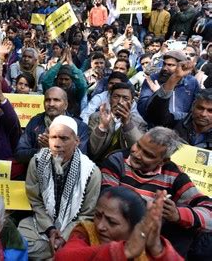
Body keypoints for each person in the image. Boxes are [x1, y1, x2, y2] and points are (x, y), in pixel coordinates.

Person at [100, 127, 212, 258]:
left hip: (150, 242)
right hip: (115, 236)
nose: (136, 154)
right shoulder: (117, 160)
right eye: (138, 145)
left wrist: (177, 214)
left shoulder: (174, 174)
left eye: (148, 154)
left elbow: (209, 212)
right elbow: (109, 201)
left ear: (163, 161)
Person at [18, 115, 101, 259]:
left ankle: (56, 252)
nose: (56, 144)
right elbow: (36, 202)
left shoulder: (91, 172)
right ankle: (59, 254)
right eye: (53, 137)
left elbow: (86, 215)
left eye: (64, 138)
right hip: (44, 223)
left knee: (88, 242)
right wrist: (51, 230)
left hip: (73, 228)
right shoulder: (37, 162)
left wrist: (64, 236)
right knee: (21, 236)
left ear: (77, 141)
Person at [55, 187, 183, 261]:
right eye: (98, 216)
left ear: (134, 228)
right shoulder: (86, 231)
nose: (100, 226)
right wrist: (124, 251)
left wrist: (156, 248)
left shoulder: (148, 244)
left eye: (112, 222)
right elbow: (63, 257)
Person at [15, 87, 89, 169]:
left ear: (66, 105)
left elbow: (81, 160)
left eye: (56, 100)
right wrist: (42, 151)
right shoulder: (35, 121)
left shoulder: (79, 127)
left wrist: (54, 150)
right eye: (47, 100)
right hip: (37, 174)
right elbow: (19, 154)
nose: (51, 104)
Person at [88, 82, 147, 162]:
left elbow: (139, 152)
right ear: (110, 99)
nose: (120, 102)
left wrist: (127, 124)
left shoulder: (139, 122)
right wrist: (103, 126)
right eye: (116, 97)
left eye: (125, 98)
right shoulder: (97, 117)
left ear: (132, 102)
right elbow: (92, 150)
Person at [138, 50, 199, 122]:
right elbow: (141, 109)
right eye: (164, 64)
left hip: (181, 127)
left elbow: (196, 111)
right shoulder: (153, 80)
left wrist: (175, 118)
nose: (164, 68)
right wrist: (158, 94)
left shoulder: (192, 82)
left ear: (183, 67)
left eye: (170, 65)